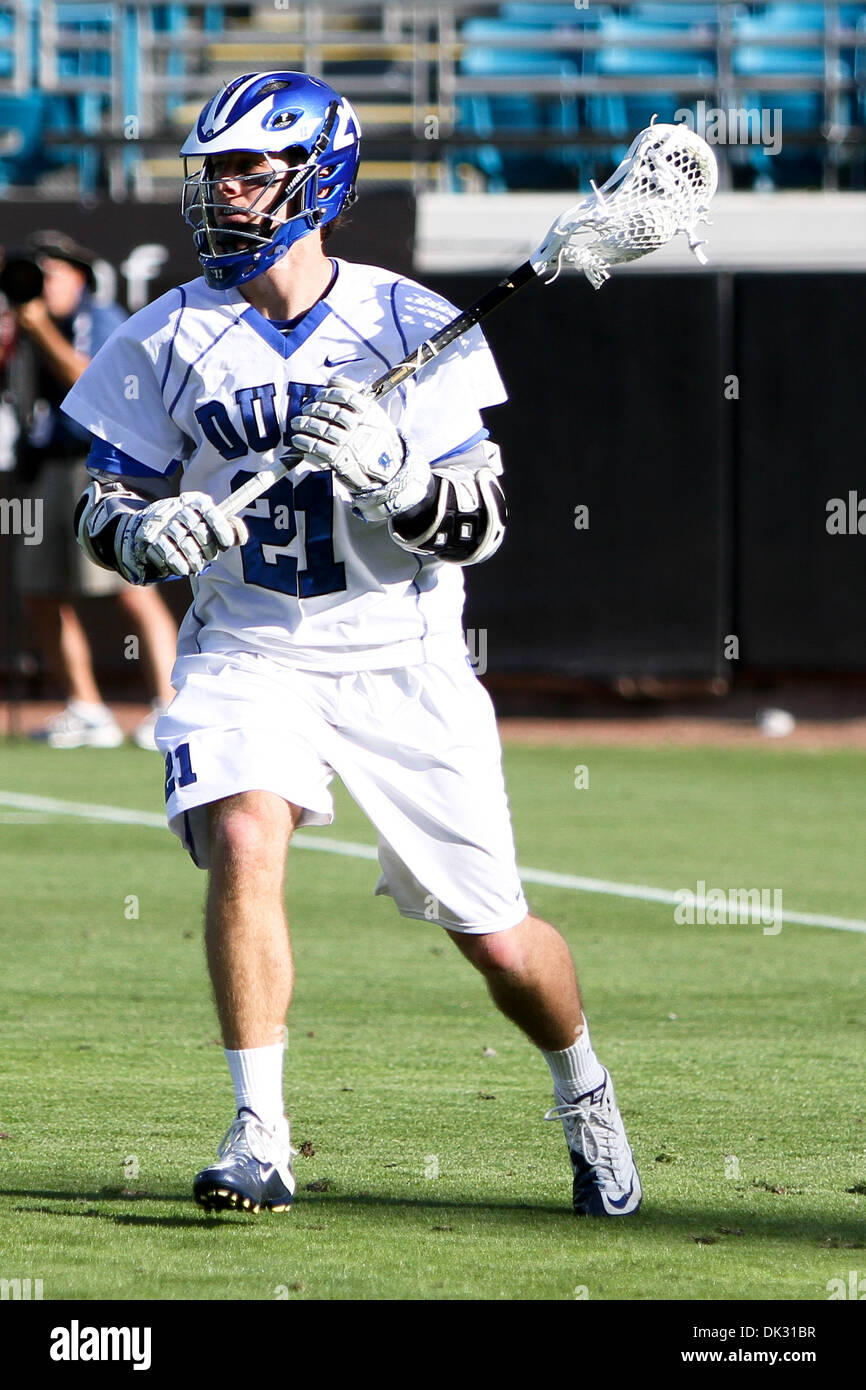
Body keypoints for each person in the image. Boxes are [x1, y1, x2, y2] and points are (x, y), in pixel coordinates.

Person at [62, 72, 641, 1218]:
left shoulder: (407, 325)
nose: (220, 192)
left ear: (312, 177)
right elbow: (96, 504)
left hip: (401, 657)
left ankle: (583, 1088)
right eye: (212, 172)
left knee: (496, 940)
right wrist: (144, 530)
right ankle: (259, 1135)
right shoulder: (169, 332)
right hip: (249, 648)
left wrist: (394, 473)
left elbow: (477, 526)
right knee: (244, 825)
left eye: (245, 171)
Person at [11, 231, 176, 750]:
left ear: (79, 277)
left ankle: (169, 706)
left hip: (95, 465)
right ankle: (86, 707)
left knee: (130, 587)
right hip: (46, 468)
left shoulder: (98, 318)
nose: (42, 286)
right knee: (40, 590)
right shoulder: (26, 321)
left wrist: (40, 330)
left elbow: (92, 386)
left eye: (52, 274)